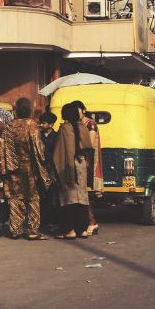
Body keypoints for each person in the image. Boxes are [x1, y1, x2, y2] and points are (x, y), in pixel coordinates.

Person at [0, 98, 49, 240]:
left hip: (13, 167)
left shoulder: (9, 126)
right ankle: (33, 231)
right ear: (29, 109)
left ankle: (15, 229)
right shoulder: (31, 125)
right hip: (29, 168)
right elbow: (38, 148)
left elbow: (3, 148)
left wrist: (6, 167)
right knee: (33, 198)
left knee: (16, 198)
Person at [52, 101, 94, 240]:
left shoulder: (64, 128)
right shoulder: (83, 127)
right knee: (81, 197)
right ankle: (82, 229)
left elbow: (59, 151)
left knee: (68, 198)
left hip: (68, 166)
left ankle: (69, 230)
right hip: (81, 164)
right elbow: (88, 146)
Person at [73, 100, 102, 236]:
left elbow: (88, 144)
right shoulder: (77, 124)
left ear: (83, 110)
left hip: (88, 161)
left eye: (78, 110)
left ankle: (92, 222)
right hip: (81, 160)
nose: (76, 113)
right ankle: (90, 222)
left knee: (84, 194)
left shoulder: (90, 124)